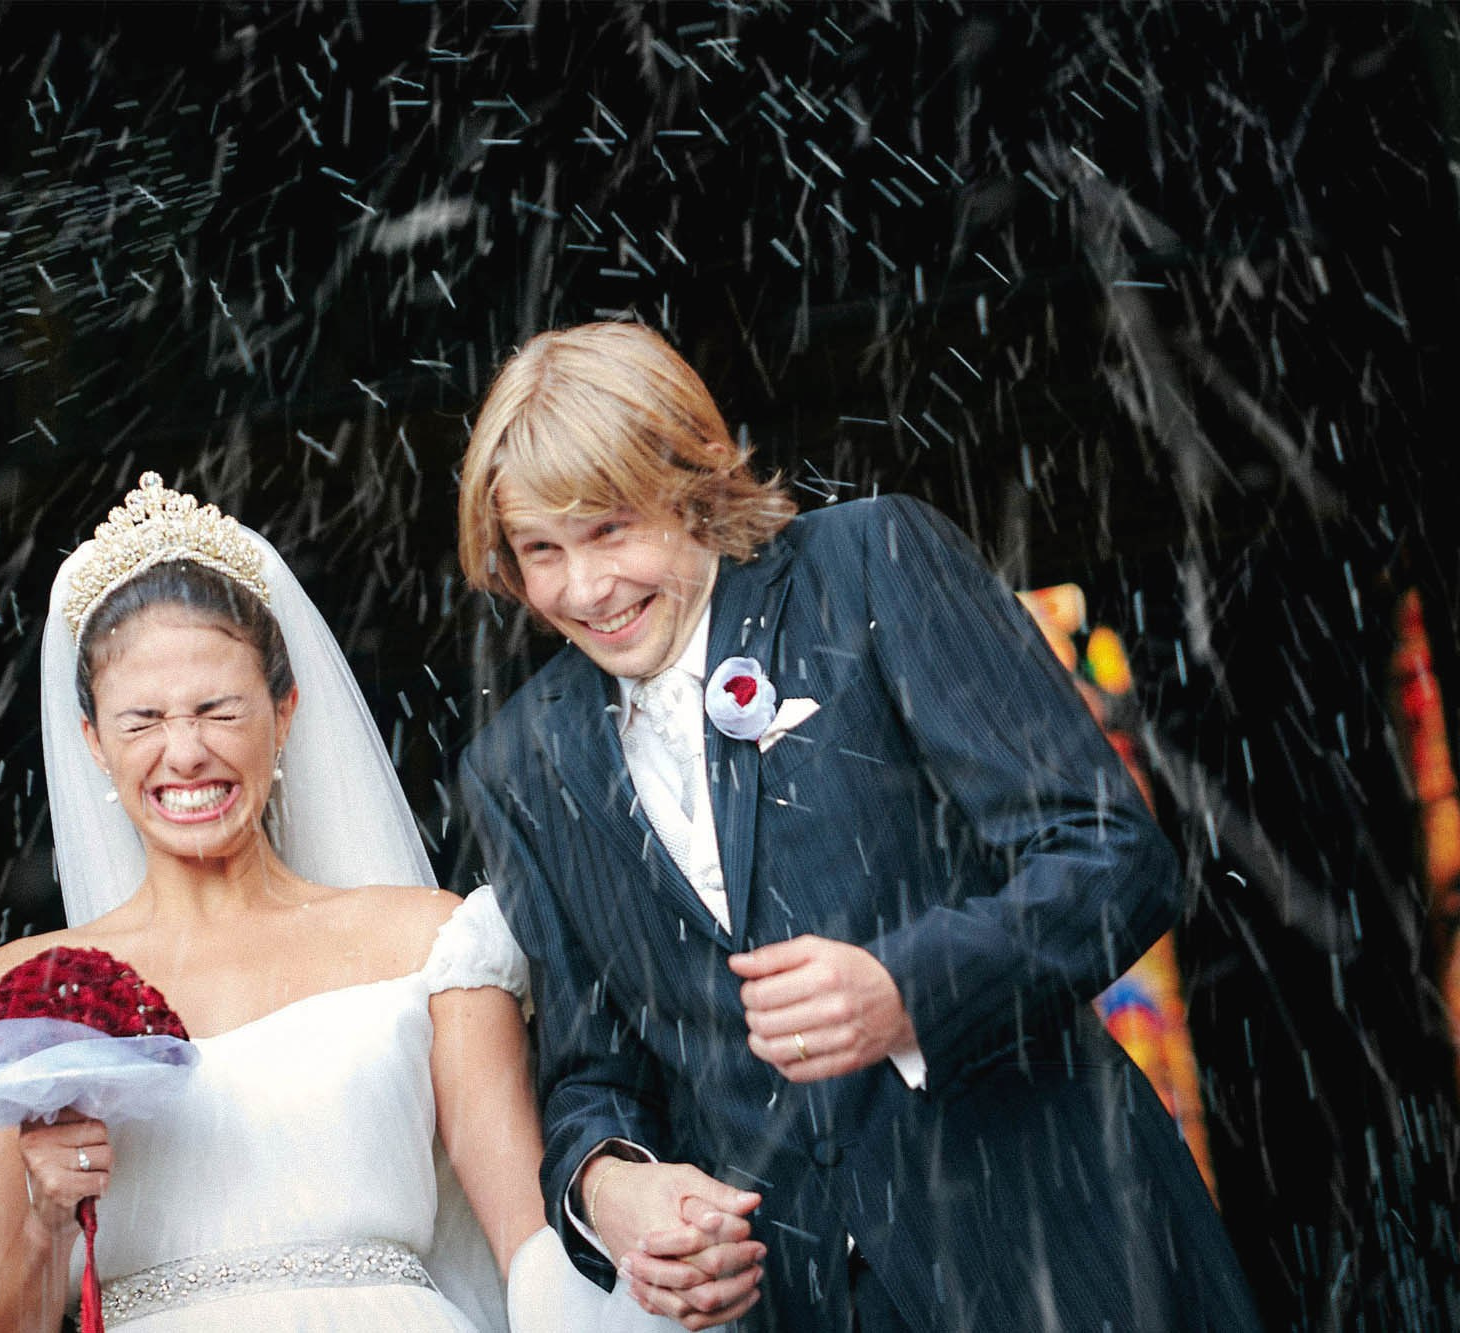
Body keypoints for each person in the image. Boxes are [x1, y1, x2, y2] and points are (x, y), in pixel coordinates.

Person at [455, 322, 1263, 1331]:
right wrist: (607, 1185)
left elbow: (1111, 859)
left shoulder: (867, 565)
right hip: (792, 1304)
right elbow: (591, 1071)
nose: (583, 589)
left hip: (1052, 1245)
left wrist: (907, 991)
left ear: (690, 485)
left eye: (611, 529)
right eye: (541, 549)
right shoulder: (519, 764)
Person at [0, 474, 686, 1332]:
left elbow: (535, 1250)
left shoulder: (431, 940)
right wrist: (43, 1220)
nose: (185, 752)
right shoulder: (20, 997)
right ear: (93, 744)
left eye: (219, 709)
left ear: (285, 712)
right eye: (142, 719)